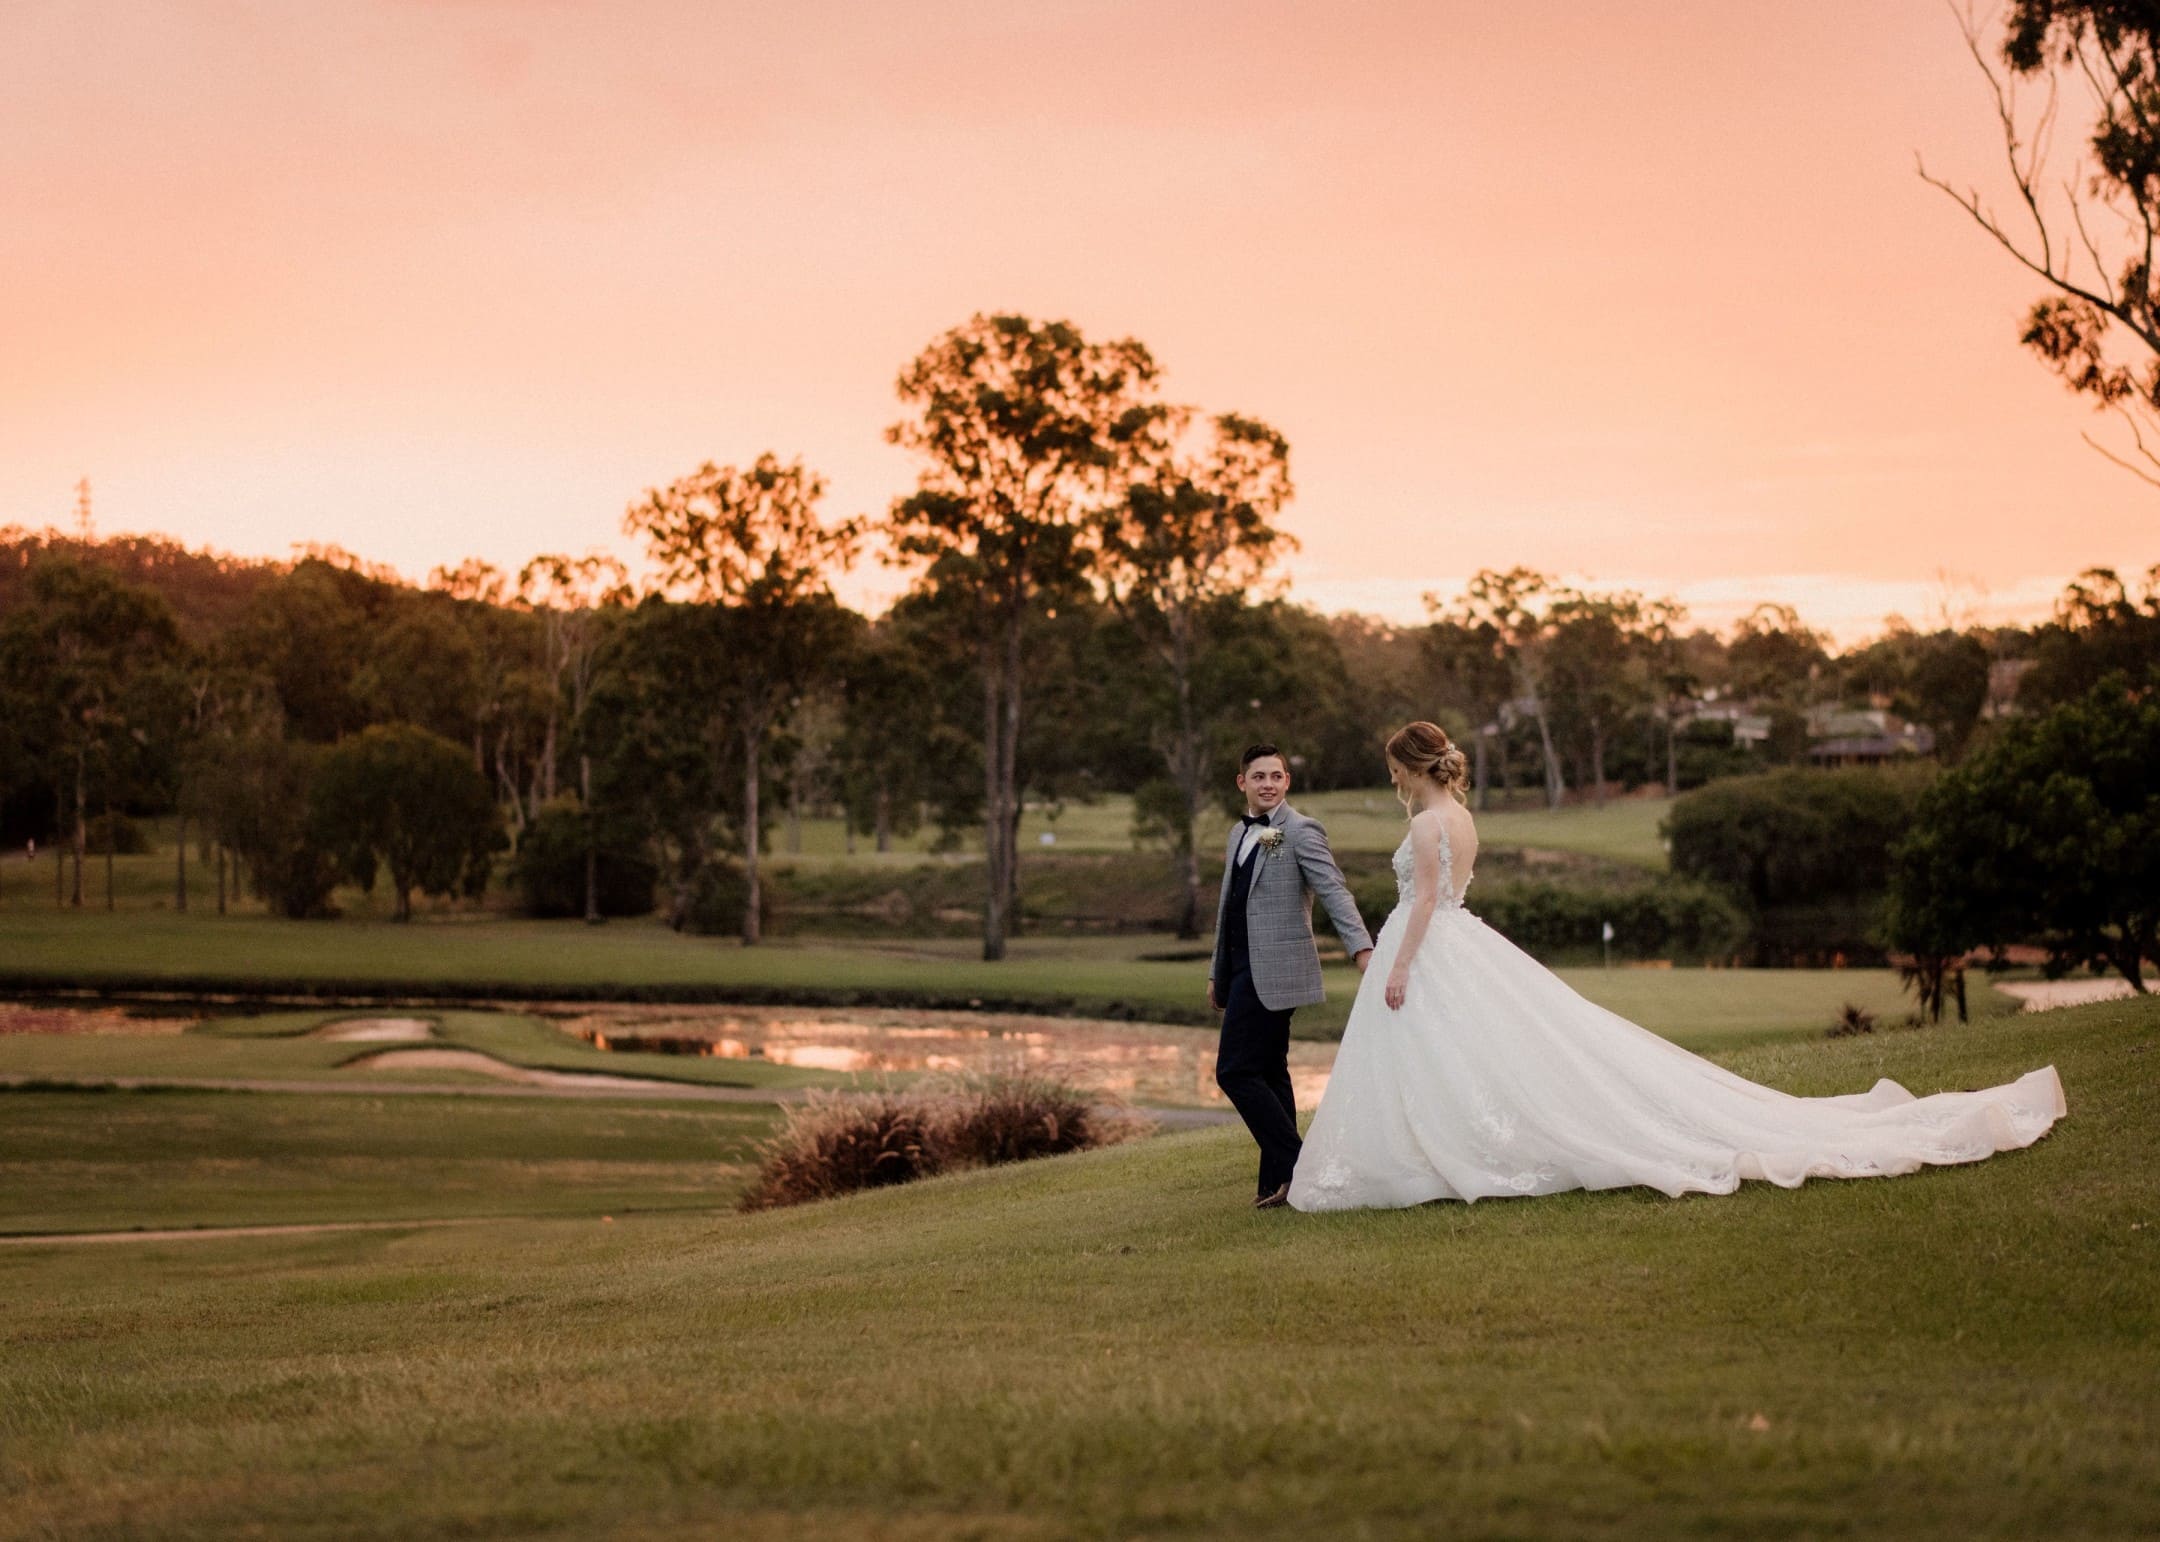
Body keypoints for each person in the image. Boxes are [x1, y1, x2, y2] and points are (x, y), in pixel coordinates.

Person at [1288, 722, 2066, 1212]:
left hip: (1433, 948)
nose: (1393, 780)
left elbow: (1427, 900)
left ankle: (1436, 1154)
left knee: (1451, 1052)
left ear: (1411, 766)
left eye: (1394, 769)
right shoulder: (1460, 816)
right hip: (1464, 944)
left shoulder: (1427, 825)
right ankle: (1441, 1146)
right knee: (1470, 1055)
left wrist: (1400, 968)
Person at [1207, 742, 1373, 1209]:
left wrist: (1362, 948)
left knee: (1234, 1071)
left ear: (1287, 781)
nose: (1268, 784)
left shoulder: (1300, 831)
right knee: (1269, 1070)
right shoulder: (1242, 834)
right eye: (1259, 776)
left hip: (1277, 971)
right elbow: (1230, 909)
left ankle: (1302, 1167)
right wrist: (1217, 972)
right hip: (1240, 969)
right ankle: (1277, 1184)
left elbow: (1333, 891)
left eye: (1276, 776)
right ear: (1242, 782)